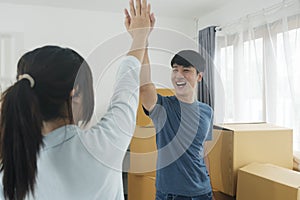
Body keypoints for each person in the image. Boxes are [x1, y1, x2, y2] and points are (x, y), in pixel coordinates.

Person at [0, 0, 154, 199]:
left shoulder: (10, 175)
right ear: (77, 94)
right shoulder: (105, 144)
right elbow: (126, 83)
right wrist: (140, 36)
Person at [139, 47, 214, 199]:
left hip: (202, 192)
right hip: (171, 194)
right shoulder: (162, 107)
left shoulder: (207, 111)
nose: (179, 76)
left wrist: (209, 187)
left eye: (186, 70)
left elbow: (203, 151)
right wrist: (143, 43)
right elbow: (145, 88)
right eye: (175, 70)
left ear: (199, 76)